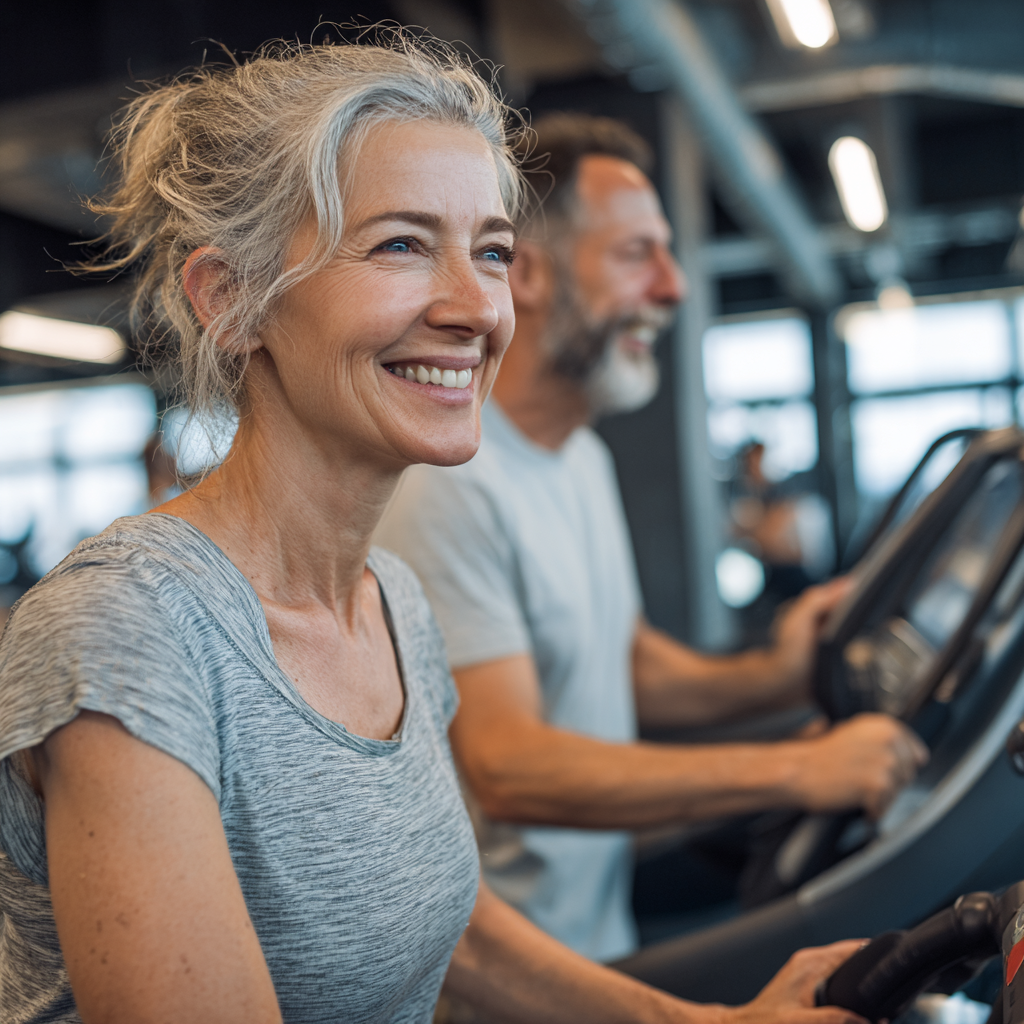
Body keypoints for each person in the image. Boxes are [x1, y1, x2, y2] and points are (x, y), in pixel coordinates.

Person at [0, 37, 869, 1024]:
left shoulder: (392, 604)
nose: (476, 309)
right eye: (402, 244)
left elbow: (447, 920)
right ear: (230, 300)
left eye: (491, 252)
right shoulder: (132, 628)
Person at [375, 112, 928, 962]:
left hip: (600, 934)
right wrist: (791, 769)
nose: (673, 289)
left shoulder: (578, 457)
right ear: (528, 272)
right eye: (638, 254)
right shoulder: (451, 484)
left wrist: (772, 679)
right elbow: (508, 765)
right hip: (512, 984)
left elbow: (624, 662)